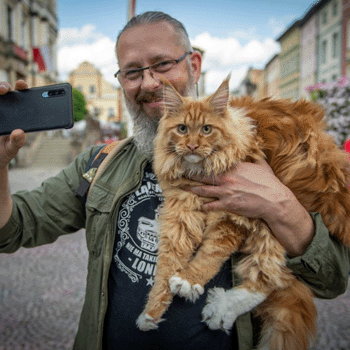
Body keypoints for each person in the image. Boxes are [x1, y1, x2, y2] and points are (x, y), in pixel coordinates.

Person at [0, 11, 349, 350]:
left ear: (194, 65)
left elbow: (332, 279)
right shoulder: (97, 164)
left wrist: (281, 207)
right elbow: (12, 228)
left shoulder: (263, 153)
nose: (150, 83)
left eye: (163, 64)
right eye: (133, 72)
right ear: (121, 81)